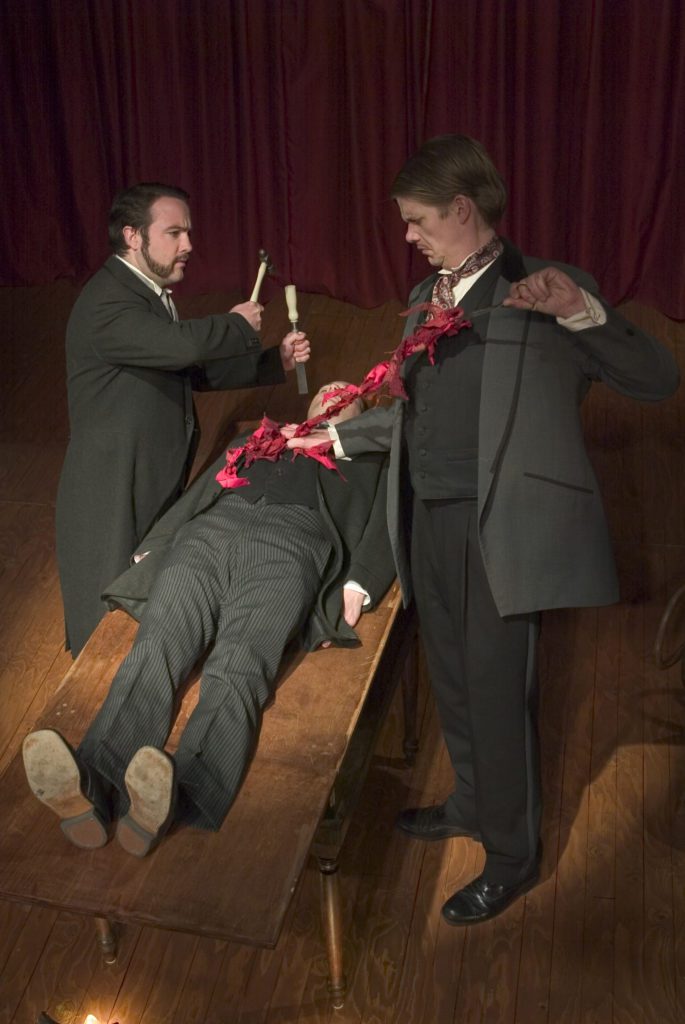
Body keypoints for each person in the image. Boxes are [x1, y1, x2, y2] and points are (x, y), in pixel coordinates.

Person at [286, 135, 679, 925]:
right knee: (454, 678)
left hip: (503, 529)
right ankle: (470, 802)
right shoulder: (424, 294)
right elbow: (412, 413)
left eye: (417, 219)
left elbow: (655, 379)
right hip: (427, 515)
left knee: (500, 693)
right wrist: (335, 435)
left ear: (462, 209)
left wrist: (581, 311)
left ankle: (511, 856)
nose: (407, 234)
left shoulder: (545, 289)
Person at [24, 383, 394, 857]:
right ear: (310, 405)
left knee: (240, 665)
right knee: (157, 645)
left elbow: (388, 521)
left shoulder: (371, 457)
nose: (335, 396)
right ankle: (94, 785)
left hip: (292, 544)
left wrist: (359, 584)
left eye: (348, 396)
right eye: (326, 391)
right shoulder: (260, 438)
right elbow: (203, 490)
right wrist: (158, 542)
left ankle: (180, 795)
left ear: (361, 415)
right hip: (211, 531)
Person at [56, 182, 311, 657]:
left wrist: (276, 362)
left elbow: (190, 369)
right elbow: (184, 347)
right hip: (110, 486)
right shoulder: (109, 301)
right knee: (104, 623)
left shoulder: (148, 295)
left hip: (147, 477)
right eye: (174, 233)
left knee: (147, 604)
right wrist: (235, 326)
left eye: (188, 233)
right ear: (133, 236)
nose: (188, 245)